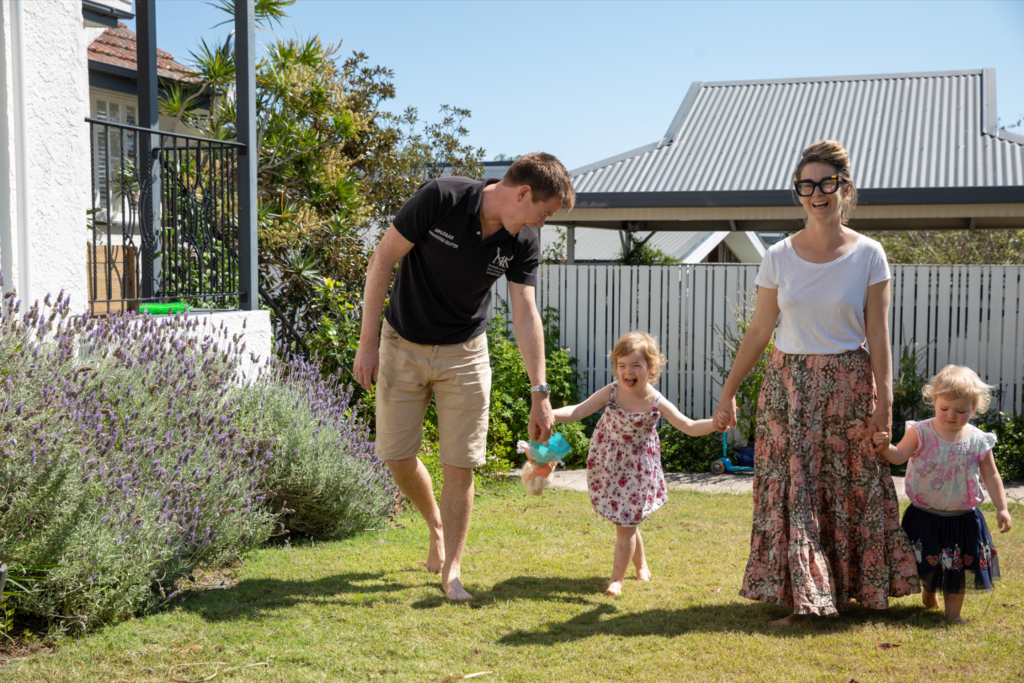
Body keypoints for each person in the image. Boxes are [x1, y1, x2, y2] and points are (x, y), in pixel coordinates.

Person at [713, 140, 919, 625]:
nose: (816, 193)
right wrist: (729, 390)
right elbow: (761, 331)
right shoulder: (778, 257)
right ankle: (805, 598)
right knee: (794, 490)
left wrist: (885, 403)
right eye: (806, 185)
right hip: (789, 389)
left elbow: (877, 332)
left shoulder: (870, 254)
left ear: (845, 188)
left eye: (826, 183)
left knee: (850, 488)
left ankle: (846, 592)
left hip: (849, 386)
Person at [352, 153, 575, 601]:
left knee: (461, 463)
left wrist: (540, 392)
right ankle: (434, 524)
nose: (542, 224)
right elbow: (382, 259)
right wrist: (367, 341)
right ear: (522, 193)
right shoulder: (442, 197)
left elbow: (526, 311)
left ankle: (451, 570)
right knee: (396, 455)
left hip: (466, 352)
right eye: (543, 212)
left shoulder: (522, 239)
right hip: (402, 343)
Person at [553, 332, 718, 596]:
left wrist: (715, 424)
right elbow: (578, 410)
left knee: (626, 523)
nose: (627, 372)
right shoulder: (613, 390)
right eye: (622, 365)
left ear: (651, 369)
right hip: (609, 462)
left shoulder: (655, 401)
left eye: (635, 365)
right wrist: (548, 415)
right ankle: (641, 566)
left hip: (638, 468)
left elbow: (688, 426)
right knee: (626, 521)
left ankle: (616, 581)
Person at [872, 365, 1012, 623]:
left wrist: (1002, 508)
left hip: (964, 518)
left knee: (956, 568)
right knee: (928, 562)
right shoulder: (921, 431)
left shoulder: (979, 439)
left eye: (961, 411)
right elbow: (899, 456)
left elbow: (991, 474)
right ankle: (928, 592)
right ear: (934, 400)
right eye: (944, 408)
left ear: (974, 408)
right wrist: (885, 447)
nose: (951, 415)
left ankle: (953, 613)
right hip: (925, 515)